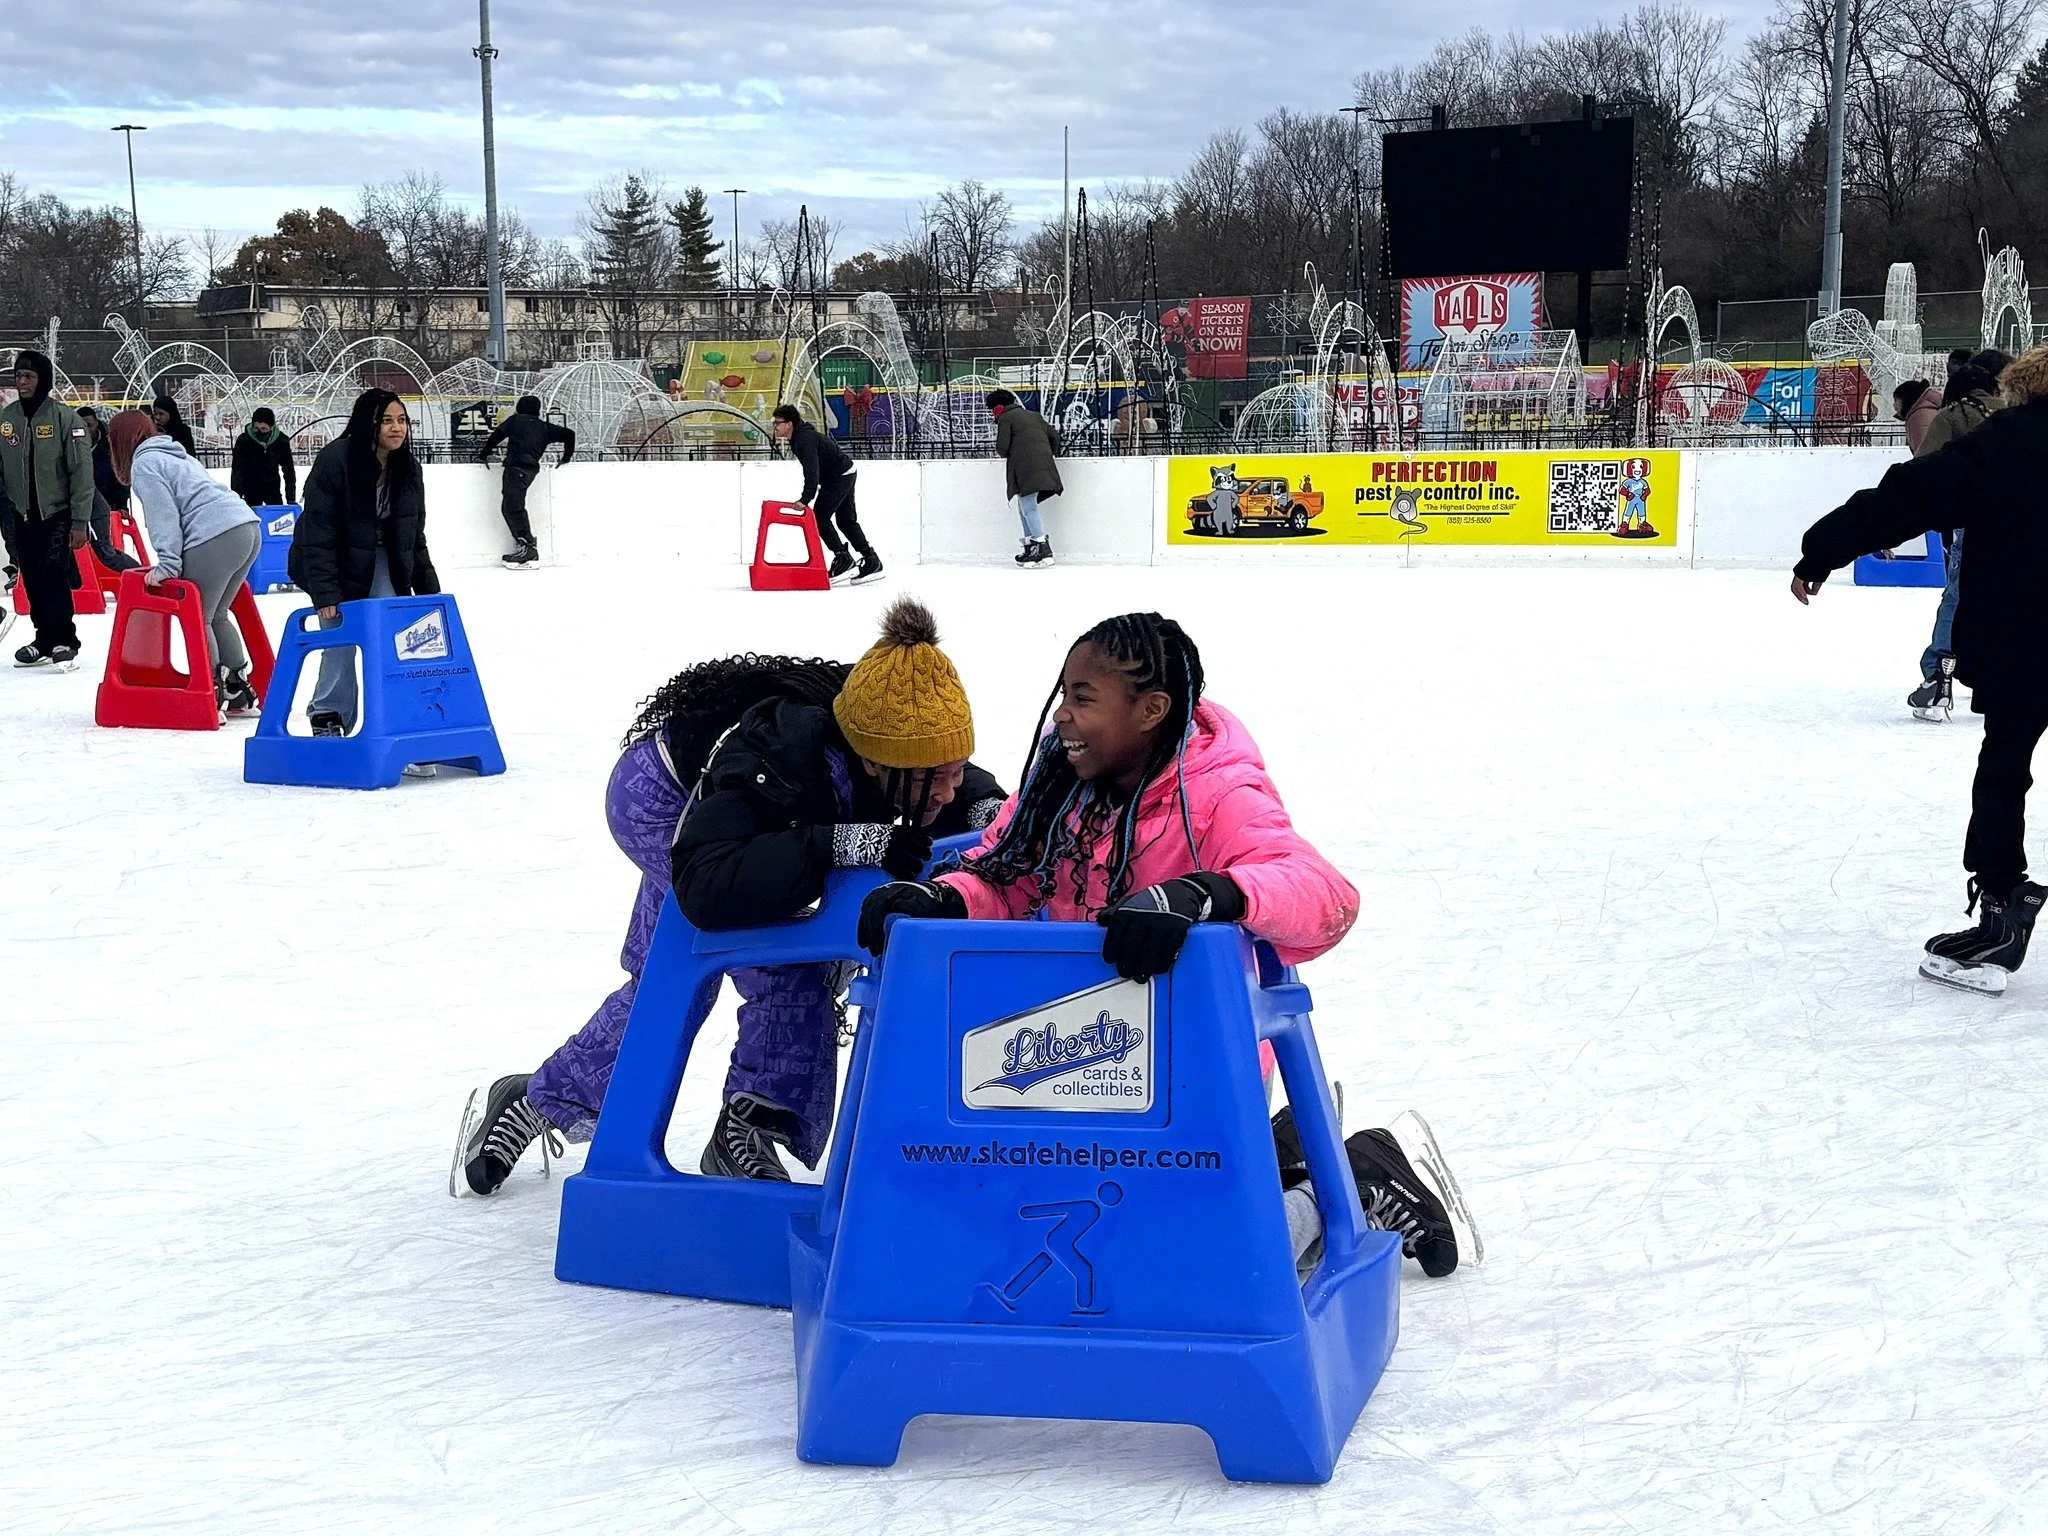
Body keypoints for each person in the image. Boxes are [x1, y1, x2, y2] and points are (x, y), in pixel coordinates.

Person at [858, 612, 1481, 1276]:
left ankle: (1354, 1179)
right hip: (1068, 1051)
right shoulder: (1062, 778)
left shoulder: (1217, 792)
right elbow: (1004, 874)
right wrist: (945, 897)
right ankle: (1280, 1152)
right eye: (1064, 694)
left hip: (1192, 1063)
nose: (1062, 716)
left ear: (1151, 709)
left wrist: (1205, 894)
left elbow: (1326, 896)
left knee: (1182, 1262)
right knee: (1006, 1222)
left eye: (1084, 699)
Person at [453, 598, 1008, 1195]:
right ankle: (746, 1131)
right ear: (883, 762)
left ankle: (539, 1096)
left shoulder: (894, 747)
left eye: (960, 769)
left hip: (738, 819)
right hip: (662, 802)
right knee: (782, 963)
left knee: (667, 983)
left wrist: (990, 810)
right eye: (944, 776)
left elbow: (946, 777)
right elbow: (711, 880)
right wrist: (849, 843)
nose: (951, 790)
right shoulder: (783, 757)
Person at [1790, 342, 2048, 994]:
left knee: (2003, 773)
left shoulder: (2006, 441)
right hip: (2022, 639)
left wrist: (1822, 551)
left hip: (2023, 642)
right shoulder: (2004, 438)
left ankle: (2002, 912)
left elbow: (1911, 493)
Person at [289, 388, 439, 737]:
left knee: (394, 636)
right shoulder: (336, 460)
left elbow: (413, 536)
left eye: (401, 420)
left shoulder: (408, 467)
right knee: (340, 636)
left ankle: (399, 716)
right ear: (367, 423)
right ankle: (328, 714)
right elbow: (318, 532)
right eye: (386, 421)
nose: (396, 428)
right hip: (334, 558)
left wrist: (430, 593)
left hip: (382, 555)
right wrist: (325, 594)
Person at [109, 410, 263, 717]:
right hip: (247, 526)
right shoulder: (177, 455)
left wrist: (167, 564)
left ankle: (212, 691)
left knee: (199, 617)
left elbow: (163, 517)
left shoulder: (145, 465)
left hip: (214, 533)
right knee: (217, 614)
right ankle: (237, 686)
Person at [1907, 348, 2011, 721]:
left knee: (1960, 596)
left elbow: (1924, 473)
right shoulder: (2026, 415)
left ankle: (1939, 678)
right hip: (2027, 523)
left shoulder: (1956, 416)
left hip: (1974, 521)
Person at [0, 349, 93, 669]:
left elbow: (81, 473)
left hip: (57, 513)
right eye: (18, 376)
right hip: (20, 513)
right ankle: (42, 639)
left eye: (28, 376)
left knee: (54, 574)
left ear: (43, 380)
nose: (22, 382)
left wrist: (80, 521)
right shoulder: (6, 419)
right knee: (33, 576)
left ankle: (65, 639)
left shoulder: (65, 419)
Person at [771, 403, 881, 585]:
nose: (775, 426)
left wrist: (805, 500)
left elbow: (811, 471)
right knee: (845, 521)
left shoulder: (804, 439)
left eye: (777, 423)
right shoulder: (800, 437)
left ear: (789, 424)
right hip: (844, 472)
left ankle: (844, 558)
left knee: (820, 518)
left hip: (839, 476)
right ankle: (871, 560)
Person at [474, 394, 575, 568]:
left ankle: (528, 547)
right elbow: (569, 434)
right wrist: (566, 457)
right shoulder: (544, 427)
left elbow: (497, 435)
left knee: (512, 507)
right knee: (512, 506)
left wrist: (483, 455)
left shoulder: (515, 421)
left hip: (515, 468)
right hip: (530, 470)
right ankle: (525, 545)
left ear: (519, 408)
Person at [988, 387, 1062, 569]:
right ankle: (1031, 549)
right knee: (1024, 506)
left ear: (998, 407)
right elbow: (1055, 437)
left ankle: (1043, 548)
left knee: (1028, 507)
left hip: (1026, 468)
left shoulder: (1005, 418)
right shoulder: (1034, 415)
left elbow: (1002, 448)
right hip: (1041, 466)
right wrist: (1045, 454)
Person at [74, 407, 143, 575]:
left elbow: (120, 477)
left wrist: (121, 504)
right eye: (81, 427)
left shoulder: (109, 445)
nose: (86, 430)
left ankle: (139, 575)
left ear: (96, 423)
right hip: (86, 502)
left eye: (89, 425)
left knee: (107, 552)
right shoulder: (74, 446)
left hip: (103, 502)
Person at [230, 407, 298, 508]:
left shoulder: (281, 441)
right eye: (256, 428)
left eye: (264, 429)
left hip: (272, 489)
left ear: (271, 427)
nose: (260, 432)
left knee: (276, 521)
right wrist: (237, 496)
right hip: (250, 490)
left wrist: (291, 498)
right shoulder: (244, 440)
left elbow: (288, 471)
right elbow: (237, 469)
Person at [1892, 379, 1940, 455]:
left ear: (1905, 399)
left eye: (1896, 400)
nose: (1894, 405)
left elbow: (1924, 455)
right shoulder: (1927, 411)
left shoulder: (1919, 418)